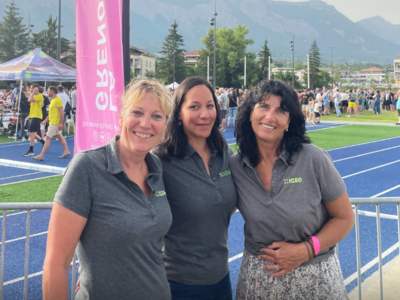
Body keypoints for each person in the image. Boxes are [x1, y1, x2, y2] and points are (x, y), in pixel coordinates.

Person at [42, 80, 175, 300]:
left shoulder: (157, 168)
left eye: (157, 116)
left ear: (165, 124)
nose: (145, 123)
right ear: (122, 116)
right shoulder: (87, 167)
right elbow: (56, 263)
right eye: (137, 112)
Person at [230, 79, 354, 299]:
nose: (270, 117)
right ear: (250, 114)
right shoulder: (235, 166)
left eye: (281, 110)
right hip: (257, 283)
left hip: (316, 280)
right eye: (264, 107)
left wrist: (305, 250)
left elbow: (345, 219)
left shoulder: (313, 158)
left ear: (289, 122)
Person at [155, 77, 237, 300]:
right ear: (178, 113)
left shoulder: (223, 152)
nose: (205, 114)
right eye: (194, 107)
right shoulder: (160, 160)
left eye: (210, 106)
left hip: (222, 278)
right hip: (178, 284)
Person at [32, 87, 70, 161]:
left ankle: (41, 155)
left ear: (52, 91)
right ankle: (66, 151)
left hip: (55, 122)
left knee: (48, 138)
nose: (47, 92)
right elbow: (51, 113)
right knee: (59, 136)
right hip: (53, 121)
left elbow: (61, 112)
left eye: (48, 91)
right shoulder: (53, 100)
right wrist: (45, 121)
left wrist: (60, 123)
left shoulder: (57, 100)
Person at [23, 84, 45, 156]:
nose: (30, 89)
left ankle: (31, 150)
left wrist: (33, 92)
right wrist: (29, 116)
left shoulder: (39, 96)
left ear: (36, 88)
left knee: (32, 133)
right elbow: (33, 106)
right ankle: (43, 142)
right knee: (31, 133)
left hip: (36, 116)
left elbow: (29, 100)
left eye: (32, 88)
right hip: (33, 116)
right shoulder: (35, 95)